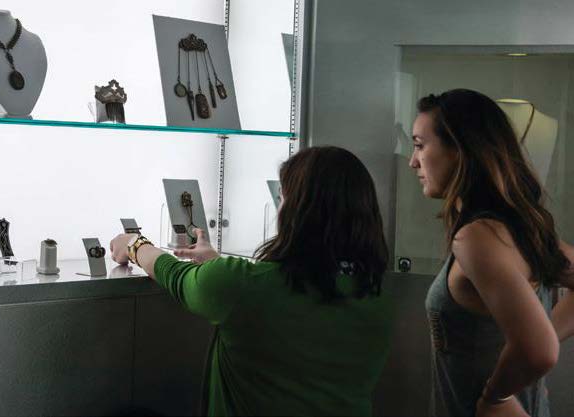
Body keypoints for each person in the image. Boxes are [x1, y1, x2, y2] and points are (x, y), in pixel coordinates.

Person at [110, 146, 394, 416]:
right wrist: (216, 262)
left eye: (282, 198)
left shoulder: (239, 287)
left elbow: (173, 273)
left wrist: (134, 243)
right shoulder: (377, 296)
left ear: (298, 210)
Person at [409, 88, 574, 417]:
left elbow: (539, 351)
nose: (413, 161)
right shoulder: (514, 229)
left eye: (419, 145)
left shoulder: (477, 238)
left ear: (460, 150)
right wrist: (542, 332)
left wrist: (494, 398)